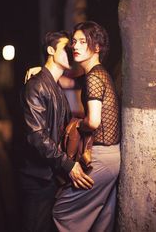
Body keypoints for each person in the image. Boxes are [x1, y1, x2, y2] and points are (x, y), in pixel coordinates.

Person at [26, 21, 121, 232]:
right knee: (100, 220)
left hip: (89, 159)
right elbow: (36, 135)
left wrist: (79, 128)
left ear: (96, 47)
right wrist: (41, 71)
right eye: (72, 44)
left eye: (81, 42)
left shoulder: (90, 77)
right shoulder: (92, 75)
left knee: (64, 214)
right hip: (47, 173)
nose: (74, 48)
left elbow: (93, 120)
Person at [19, 30, 94, 232]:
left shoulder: (54, 86)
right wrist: (67, 164)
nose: (71, 53)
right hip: (38, 178)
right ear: (51, 50)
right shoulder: (37, 85)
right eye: (66, 49)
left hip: (51, 176)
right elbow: (36, 136)